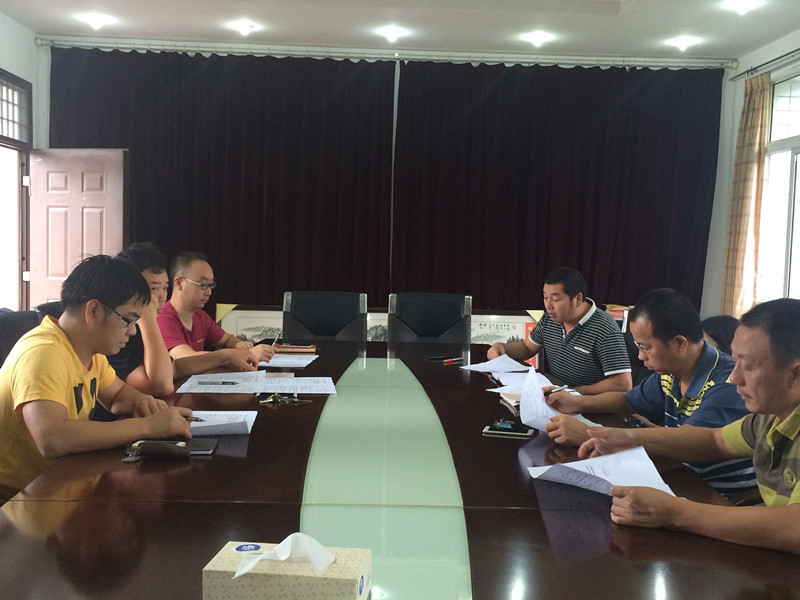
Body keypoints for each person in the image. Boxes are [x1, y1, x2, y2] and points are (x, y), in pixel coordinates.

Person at [577, 298, 800, 555]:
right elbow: (715, 440)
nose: (734, 377)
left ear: (795, 373)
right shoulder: (768, 418)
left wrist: (674, 512)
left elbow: (794, 527)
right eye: (735, 361)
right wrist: (628, 438)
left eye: (748, 366)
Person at [0, 255, 193, 503]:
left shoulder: (88, 351)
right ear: (93, 311)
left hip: (57, 481)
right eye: (128, 320)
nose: (132, 330)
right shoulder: (43, 352)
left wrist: (142, 402)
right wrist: (148, 426)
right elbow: (52, 439)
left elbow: (117, 396)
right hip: (16, 498)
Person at [545, 288, 755, 496]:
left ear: (679, 343)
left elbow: (692, 443)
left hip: (716, 494)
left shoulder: (728, 382)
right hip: (677, 473)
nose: (640, 357)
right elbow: (628, 401)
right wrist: (578, 402)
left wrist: (590, 434)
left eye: (645, 348)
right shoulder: (670, 373)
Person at [110, 243, 262, 400]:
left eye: (165, 288)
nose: (162, 297)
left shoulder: (143, 327)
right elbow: (162, 385)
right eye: (154, 289)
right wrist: (148, 319)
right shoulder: (118, 337)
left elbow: (175, 368)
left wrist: (225, 356)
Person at [487, 267, 631, 394]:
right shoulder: (550, 319)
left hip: (588, 405)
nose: (548, 305)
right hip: (556, 397)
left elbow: (622, 384)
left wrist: (572, 392)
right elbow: (527, 347)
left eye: (555, 300)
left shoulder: (604, 328)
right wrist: (503, 348)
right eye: (545, 297)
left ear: (578, 299)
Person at [156, 251, 274, 364]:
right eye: (203, 285)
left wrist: (240, 346)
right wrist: (238, 355)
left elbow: (227, 340)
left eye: (210, 285)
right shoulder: (163, 319)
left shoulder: (200, 316)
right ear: (179, 283)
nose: (209, 292)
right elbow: (186, 359)